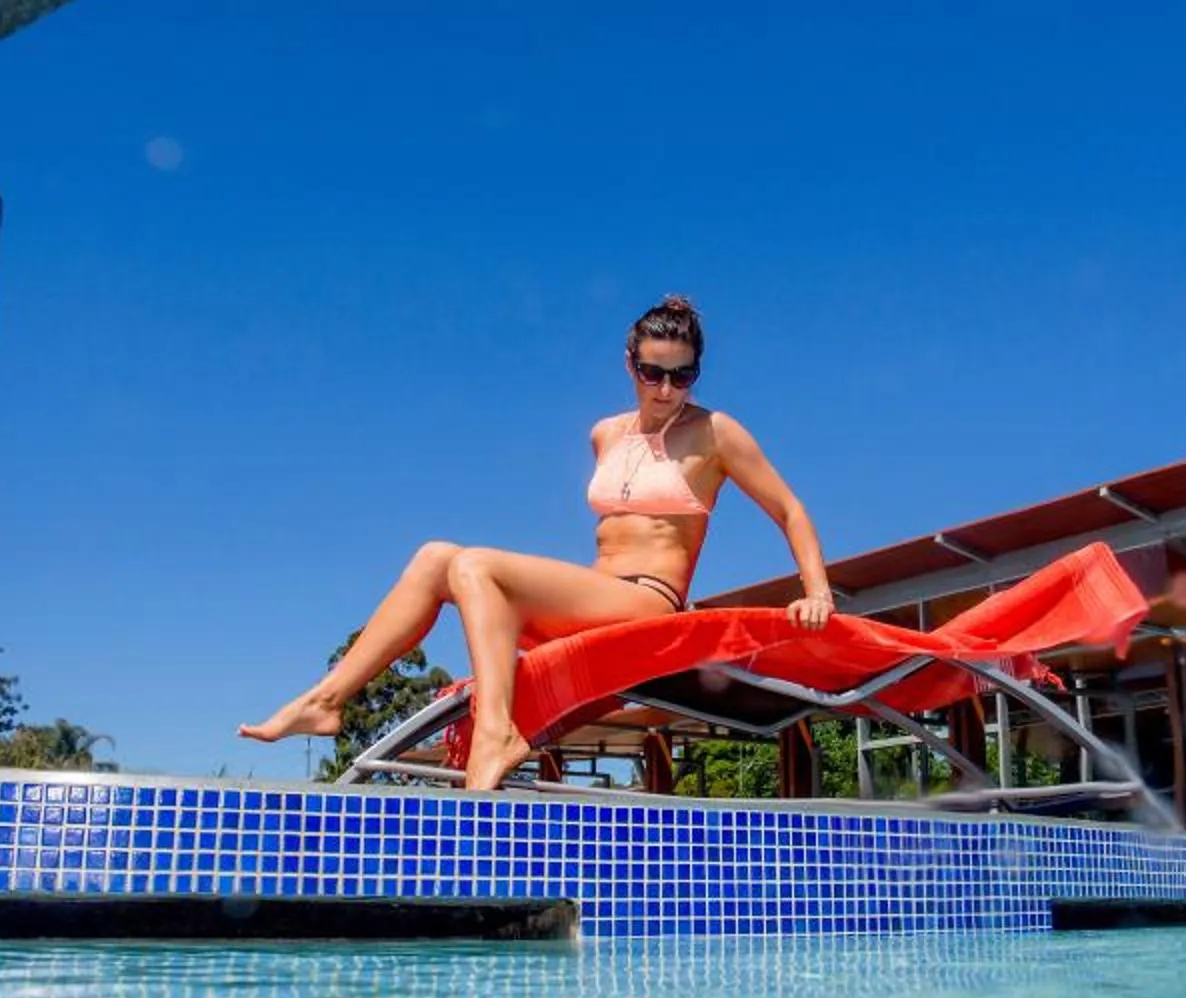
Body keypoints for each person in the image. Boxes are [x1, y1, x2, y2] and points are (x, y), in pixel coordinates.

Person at [239, 294, 836, 792]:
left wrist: (818, 593)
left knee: (475, 566)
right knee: (435, 557)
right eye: (652, 373)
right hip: (598, 595)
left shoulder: (715, 432)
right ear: (630, 364)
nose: (665, 389)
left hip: (649, 602)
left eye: (682, 376)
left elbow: (790, 509)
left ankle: (496, 731)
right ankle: (327, 700)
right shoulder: (606, 434)